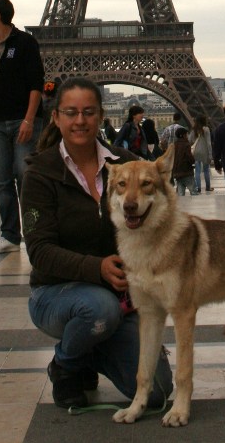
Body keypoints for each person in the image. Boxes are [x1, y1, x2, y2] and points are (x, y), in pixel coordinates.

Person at [20, 76, 173, 409]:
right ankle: (67, 364)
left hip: (118, 295)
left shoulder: (125, 165)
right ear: (56, 117)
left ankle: (92, 349)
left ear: (101, 116)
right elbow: (39, 251)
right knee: (97, 309)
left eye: (88, 112)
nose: (80, 121)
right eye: (71, 112)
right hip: (57, 293)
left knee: (158, 390)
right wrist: (97, 268)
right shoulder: (40, 173)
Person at [0, 0, 44, 253]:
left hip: (23, 119)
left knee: (24, 175)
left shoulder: (25, 42)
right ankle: (9, 234)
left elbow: (36, 83)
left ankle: (34, 232)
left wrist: (29, 119)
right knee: (2, 179)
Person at [188, 114, 214, 192]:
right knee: (206, 170)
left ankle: (198, 188)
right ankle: (208, 187)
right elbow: (209, 143)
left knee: (197, 171)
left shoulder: (194, 130)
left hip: (196, 151)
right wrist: (210, 155)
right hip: (204, 151)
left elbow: (190, 140)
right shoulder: (206, 129)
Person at [172, 126, 195, 195]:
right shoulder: (186, 144)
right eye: (186, 134)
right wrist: (193, 161)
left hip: (177, 172)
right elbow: (189, 157)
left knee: (180, 193)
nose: (187, 136)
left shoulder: (174, 145)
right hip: (186, 171)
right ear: (183, 135)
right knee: (193, 191)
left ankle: (182, 205)